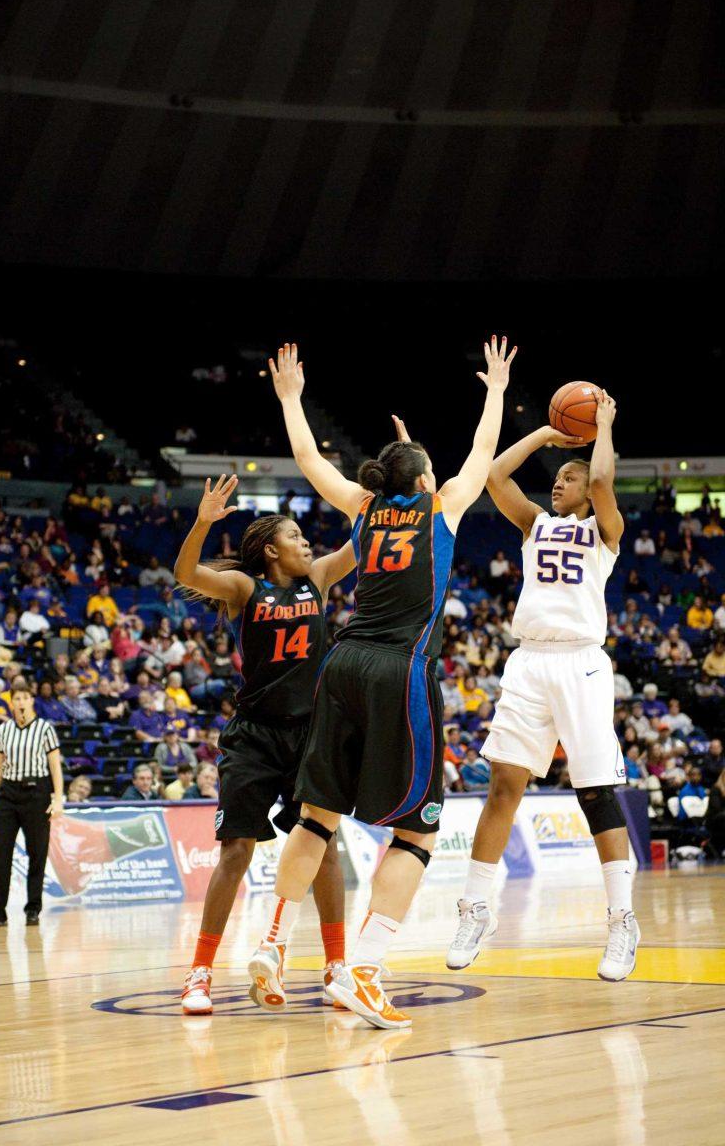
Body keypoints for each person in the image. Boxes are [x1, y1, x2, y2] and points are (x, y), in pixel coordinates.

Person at [247, 337, 513, 1030]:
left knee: (316, 817)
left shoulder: (365, 509)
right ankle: (363, 970)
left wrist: (292, 400)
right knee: (419, 832)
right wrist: (495, 391)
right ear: (426, 481)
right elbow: (483, 452)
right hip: (399, 671)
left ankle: (272, 944)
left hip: (342, 664)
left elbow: (308, 459)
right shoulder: (443, 507)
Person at [446, 389, 639, 983]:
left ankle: (622, 921)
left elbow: (605, 481)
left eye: (570, 478)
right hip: (528, 661)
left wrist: (601, 427)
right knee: (504, 784)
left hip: (580, 663)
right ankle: (476, 907)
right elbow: (496, 475)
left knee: (595, 790)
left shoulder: (605, 530)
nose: (560, 483)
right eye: (557, 478)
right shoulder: (536, 524)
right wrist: (547, 437)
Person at [173, 469, 356, 1016]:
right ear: (272, 551)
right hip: (254, 735)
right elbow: (185, 572)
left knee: (325, 849)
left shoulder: (319, 578)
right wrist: (203, 524)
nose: (307, 543)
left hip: (309, 735)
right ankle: (199, 974)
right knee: (235, 852)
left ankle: (335, 967)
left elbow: (364, 540)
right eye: (296, 537)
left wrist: (392, 488)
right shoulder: (245, 589)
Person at [0, 688, 64, 927]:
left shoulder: (45, 729)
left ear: (32, 701)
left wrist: (58, 798)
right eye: (17, 698)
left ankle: (33, 908)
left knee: (37, 852)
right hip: (8, 794)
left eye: (25, 698)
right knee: (2, 853)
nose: (21, 702)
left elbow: (55, 766)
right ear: (11, 703)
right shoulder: (3, 730)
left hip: (37, 793)